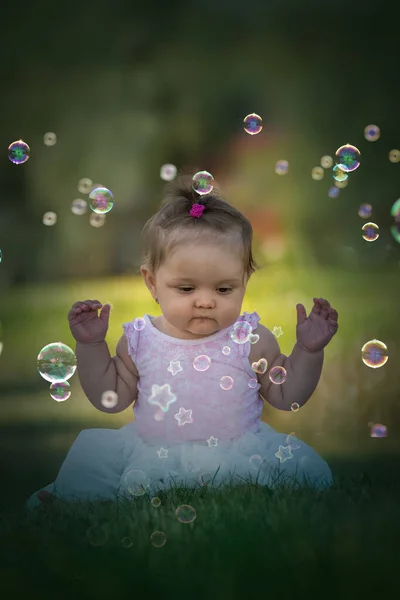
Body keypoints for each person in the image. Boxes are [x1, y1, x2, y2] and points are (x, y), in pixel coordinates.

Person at [27, 174, 339, 508]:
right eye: (186, 288)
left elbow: (287, 395)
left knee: (295, 471)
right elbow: (111, 399)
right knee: (94, 461)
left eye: (224, 289)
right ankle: (66, 500)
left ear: (244, 281)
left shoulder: (249, 338)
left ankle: (236, 484)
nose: (205, 301)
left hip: (236, 450)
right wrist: (91, 346)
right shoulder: (140, 340)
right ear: (152, 283)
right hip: (155, 449)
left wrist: (308, 349)